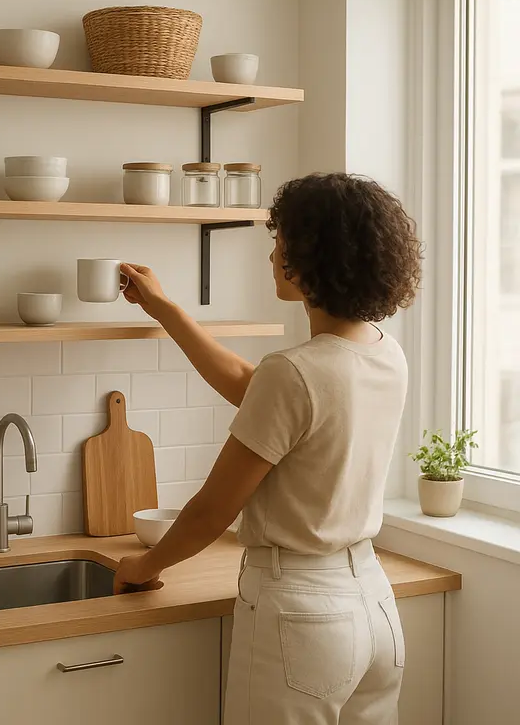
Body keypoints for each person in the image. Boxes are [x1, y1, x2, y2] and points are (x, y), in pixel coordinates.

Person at [113, 172, 422, 725]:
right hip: (374, 608)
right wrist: (166, 310)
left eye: (281, 242)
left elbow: (213, 509)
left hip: (300, 614)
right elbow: (254, 386)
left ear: (311, 258)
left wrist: (145, 565)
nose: (273, 254)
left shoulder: (295, 372)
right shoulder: (383, 353)